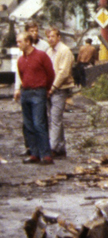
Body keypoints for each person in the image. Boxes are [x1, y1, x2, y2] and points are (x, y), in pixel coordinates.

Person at [15, 31, 55, 164]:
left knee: (39, 123)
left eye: (20, 41)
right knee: (28, 124)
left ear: (27, 42)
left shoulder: (41, 56)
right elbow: (22, 75)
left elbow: (50, 73)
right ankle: (34, 153)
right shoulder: (21, 59)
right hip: (26, 92)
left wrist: (46, 88)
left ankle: (46, 154)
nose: (18, 44)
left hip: (38, 92)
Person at [45, 27, 74, 158]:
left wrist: (53, 87)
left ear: (58, 37)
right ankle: (60, 147)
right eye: (48, 36)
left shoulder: (64, 51)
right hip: (49, 88)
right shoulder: (49, 51)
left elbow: (63, 72)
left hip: (60, 88)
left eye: (52, 36)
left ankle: (53, 147)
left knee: (55, 118)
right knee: (53, 118)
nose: (50, 39)